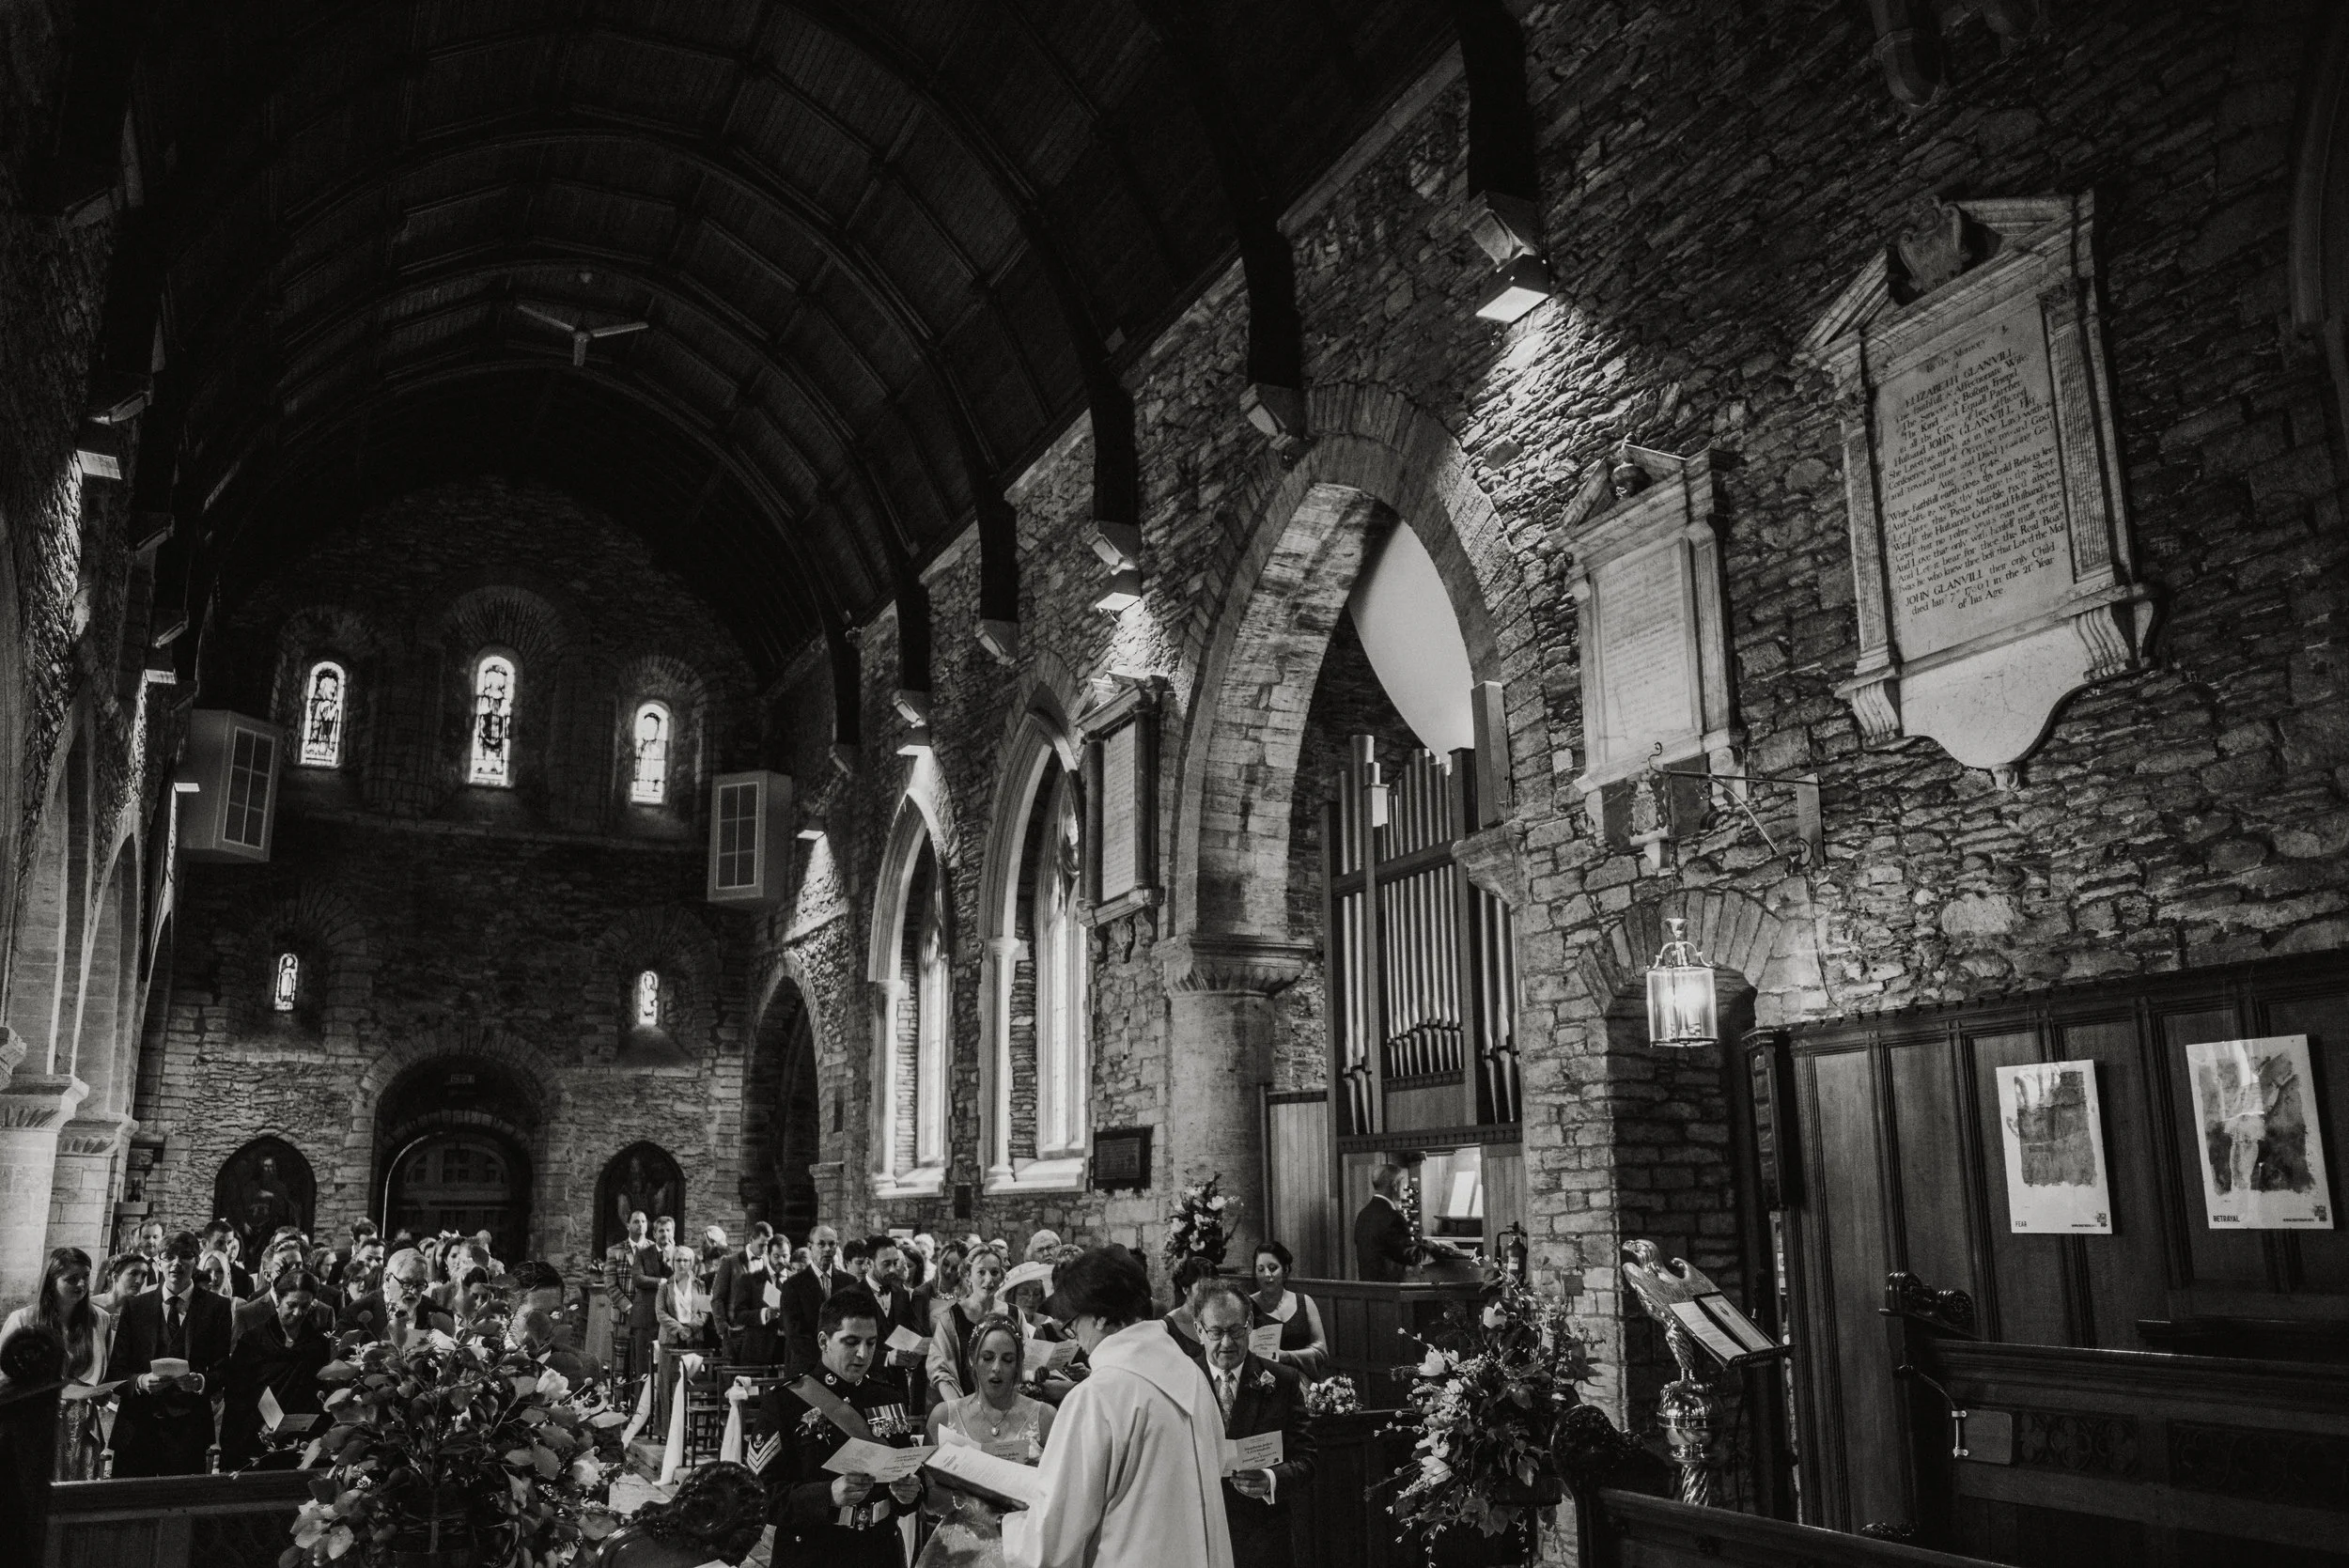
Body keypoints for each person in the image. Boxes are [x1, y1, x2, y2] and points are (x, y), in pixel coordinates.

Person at [1003, 1247, 1232, 1568]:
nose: (1076, 1338)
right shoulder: (1192, 1376)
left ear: (1100, 1317)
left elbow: (1051, 1540)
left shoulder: (1099, 1395)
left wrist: (1004, 1529)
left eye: (1073, 1324)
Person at [758, 1288, 924, 1566]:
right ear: (824, 1341)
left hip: (879, 1551)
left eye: (871, 1343)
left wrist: (908, 1493)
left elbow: (908, 1472)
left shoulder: (888, 1396)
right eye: (851, 1342)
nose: (863, 1353)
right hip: (813, 1552)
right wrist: (827, 1495)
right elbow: (761, 1497)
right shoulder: (786, 1402)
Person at [1189, 1280, 1316, 1568]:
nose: (1226, 1343)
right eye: (1216, 1332)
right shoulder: (1179, 1381)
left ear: (1250, 1326)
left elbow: (1307, 1459)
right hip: (1198, 1535)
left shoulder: (1282, 1380)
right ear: (1199, 1331)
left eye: (1236, 1331)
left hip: (1262, 1539)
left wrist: (1271, 1479)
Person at [914, 1314, 1055, 1568]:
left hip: (1020, 1549)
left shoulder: (1044, 1416)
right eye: (987, 1358)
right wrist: (961, 1498)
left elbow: (1058, 1495)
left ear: (1019, 1364)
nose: (997, 1368)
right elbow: (927, 1502)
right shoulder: (943, 1416)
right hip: (958, 1551)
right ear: (972, 1360)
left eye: (1008, 1360)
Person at [110, 1231, 234, 1476]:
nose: (176, 1263)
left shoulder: (216, 1307)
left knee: (181, 1506)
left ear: (196, 1261)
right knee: (130, 1507)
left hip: (189, 1431)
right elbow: (115, 1371)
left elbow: (223, 1369)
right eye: (169, 1257)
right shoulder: (136, 1307)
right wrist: (141, 1382)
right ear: (159, 1263)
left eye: (185, 1256)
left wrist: (201, 1381)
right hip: (138, 1427)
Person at [0, 1248, 111, 1478]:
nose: (81, 1284)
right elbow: (4, 1376)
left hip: (81, 1423)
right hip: (38, 1420)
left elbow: (105, 1368)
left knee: (78, 1495)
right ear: (52, 1281)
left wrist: (103, 1391)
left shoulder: (100, 1319)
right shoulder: (24, 1319)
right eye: (72, 1279)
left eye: (86, 1276)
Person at [219, 1268, 333, 1469]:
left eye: (304, 1307)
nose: (298, 1313)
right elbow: (238, 1393)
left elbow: (320, 1393)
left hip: (300, 1443)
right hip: (253, 1439)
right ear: (278, 1300)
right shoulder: (253, 1341)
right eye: (292, 1305)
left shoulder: (317, 1345)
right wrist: (263, 1423)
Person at [927, 1243, 1016, 1405]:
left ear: (1002, 1276)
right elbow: (941, 1370)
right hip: (965, 1404)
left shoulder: (1014, 1315)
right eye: (981, 1272)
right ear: (968, 1276)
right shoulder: (951, 1317)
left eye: (994, 1272)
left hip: (1007, 1405)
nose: (988, 1280)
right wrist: (961, 1410)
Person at [777, 1223, 858, 1376]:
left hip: (841, 1365)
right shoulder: (793, 1285)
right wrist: (827, 1357)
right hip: (807, 1366)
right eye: (821, 1244)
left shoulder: (849, 1283)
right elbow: (794, 1331)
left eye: (832, 1244)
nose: (827, 1249)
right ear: (810, 1246)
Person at [863, 1236, 930, 1410]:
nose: (893, 1269)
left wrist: (915, 1354)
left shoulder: (901, 1294)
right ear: (868, 1263)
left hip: (898, 1389)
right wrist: (886, 1358)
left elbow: (902, 1336)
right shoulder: (851, 1296)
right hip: (865, 1386)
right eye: (886, 1264)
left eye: (896, 1263)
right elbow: (848, 1348)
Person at [1246, 1243, 1328, 1377]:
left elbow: (1321, 1351)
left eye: (1273, 1268)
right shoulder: (1247, 1305)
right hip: (1265, 1383)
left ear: (1286, 1269)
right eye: (1260, 1269)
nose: (1267, 1274)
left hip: (1303, 1382)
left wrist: (1286, 1356)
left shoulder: (1305, 1302)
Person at [620, 1210, 669, 1383]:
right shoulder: (643, 1253)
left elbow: (681, 1280)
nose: (665, 1234)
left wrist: (669, 1259)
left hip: (667, 1319)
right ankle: (639, 1406)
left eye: (669, 1230)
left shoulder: (678, 1256)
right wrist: (662, 1281)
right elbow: (638, 1279)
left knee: (665, 1366)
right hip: (644, 1316)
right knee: (642, 1366)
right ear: (654, 1233)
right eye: (662, 1231)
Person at [1353, 1164, 1418, 1282]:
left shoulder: (1363, 1214)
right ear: (1394, 1185)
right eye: (1402, 1183)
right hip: (1392, 1292)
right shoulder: (1394, 1217)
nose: (1404, 1187)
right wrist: (1435, 1247)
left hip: (1367, 1290)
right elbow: (1411, 1256)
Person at [711, 1223, 767, 1359]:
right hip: (735, 1331)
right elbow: (717, 1298)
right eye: (761, 1245)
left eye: (767, 1246)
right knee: (732, 1375)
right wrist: (723, 1328)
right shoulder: (730, 1262)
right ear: (751, 1239)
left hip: (760, 1332)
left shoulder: (767, 1262)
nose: (765, 1249)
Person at [731, 1233, 785, 1366]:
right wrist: (763, 1314)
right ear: (768, 1255)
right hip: (758, 1351)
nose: (781, 1261)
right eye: (776, 1256)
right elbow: (739, 1315)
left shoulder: (797, 1281)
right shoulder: (751, 1280)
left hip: (787, 1353)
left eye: (785, 1256)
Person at [1162, 1256, 1216, 1355]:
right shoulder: (1168, 1327)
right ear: (1186, 1289)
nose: (1208, 1294)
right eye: (1202, 1289)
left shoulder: (1217, 1319)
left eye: (1213, 1289)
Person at [200, 1220, 255, 1298]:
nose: (226, 1249)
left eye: (229, 1243)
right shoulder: (190, 1272)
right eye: (220, 1243)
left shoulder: (243, 1279)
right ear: (204, 1244)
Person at [93, 1251, 153, 1317]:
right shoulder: (92, 1305)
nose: (139, 1281)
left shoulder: (144, 1309)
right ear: (115, 1276)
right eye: (133, 1273)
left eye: (143, 1275)